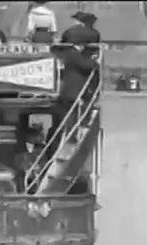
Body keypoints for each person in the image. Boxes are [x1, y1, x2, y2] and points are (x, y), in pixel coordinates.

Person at [48, 29, 99, 158]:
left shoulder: (61, 52)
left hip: (64, 91)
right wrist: (95, 62)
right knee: (72, 115)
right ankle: (70, 139)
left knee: (63, 118)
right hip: (71, 92)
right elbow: (86, 65)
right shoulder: (73, 53)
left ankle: (65, 139)